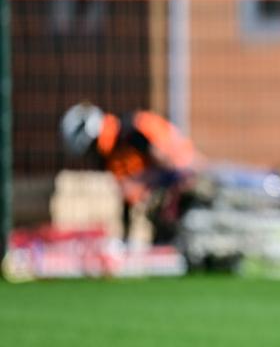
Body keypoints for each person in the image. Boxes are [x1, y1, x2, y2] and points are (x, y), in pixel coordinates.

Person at [59, 102, 202, 243]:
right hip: (170, 191)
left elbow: (171, 165)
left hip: (187, 183)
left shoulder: (130, 132)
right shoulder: (112, 154)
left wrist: (138, 182)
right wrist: (126, 238)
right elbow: (127, 198)